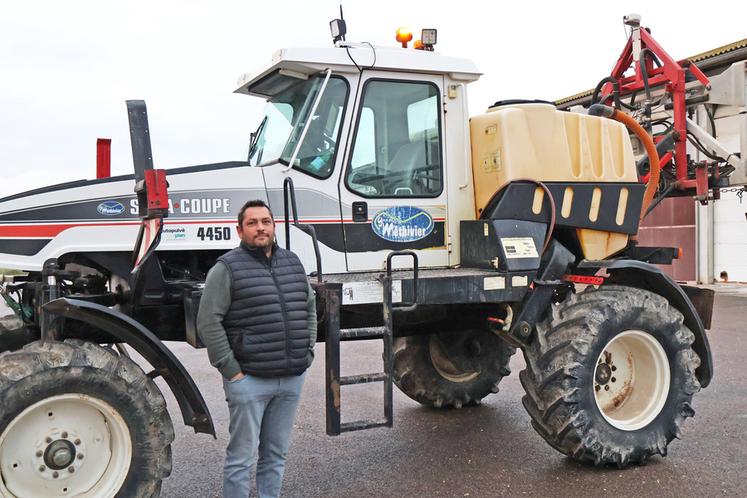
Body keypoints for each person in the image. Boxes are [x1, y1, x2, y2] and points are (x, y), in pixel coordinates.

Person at [197, 199, 317, 498]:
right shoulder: (226, 268)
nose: (260, 227)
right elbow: (208, 321)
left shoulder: (292, 262)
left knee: (276, 456)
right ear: (240, 230)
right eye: (252, 223)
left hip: (290, 378)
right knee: (241, 460)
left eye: (266, 221)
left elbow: (309, 307)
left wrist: (308, 352)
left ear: (274, 226)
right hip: (249, 380)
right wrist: (231, 370)